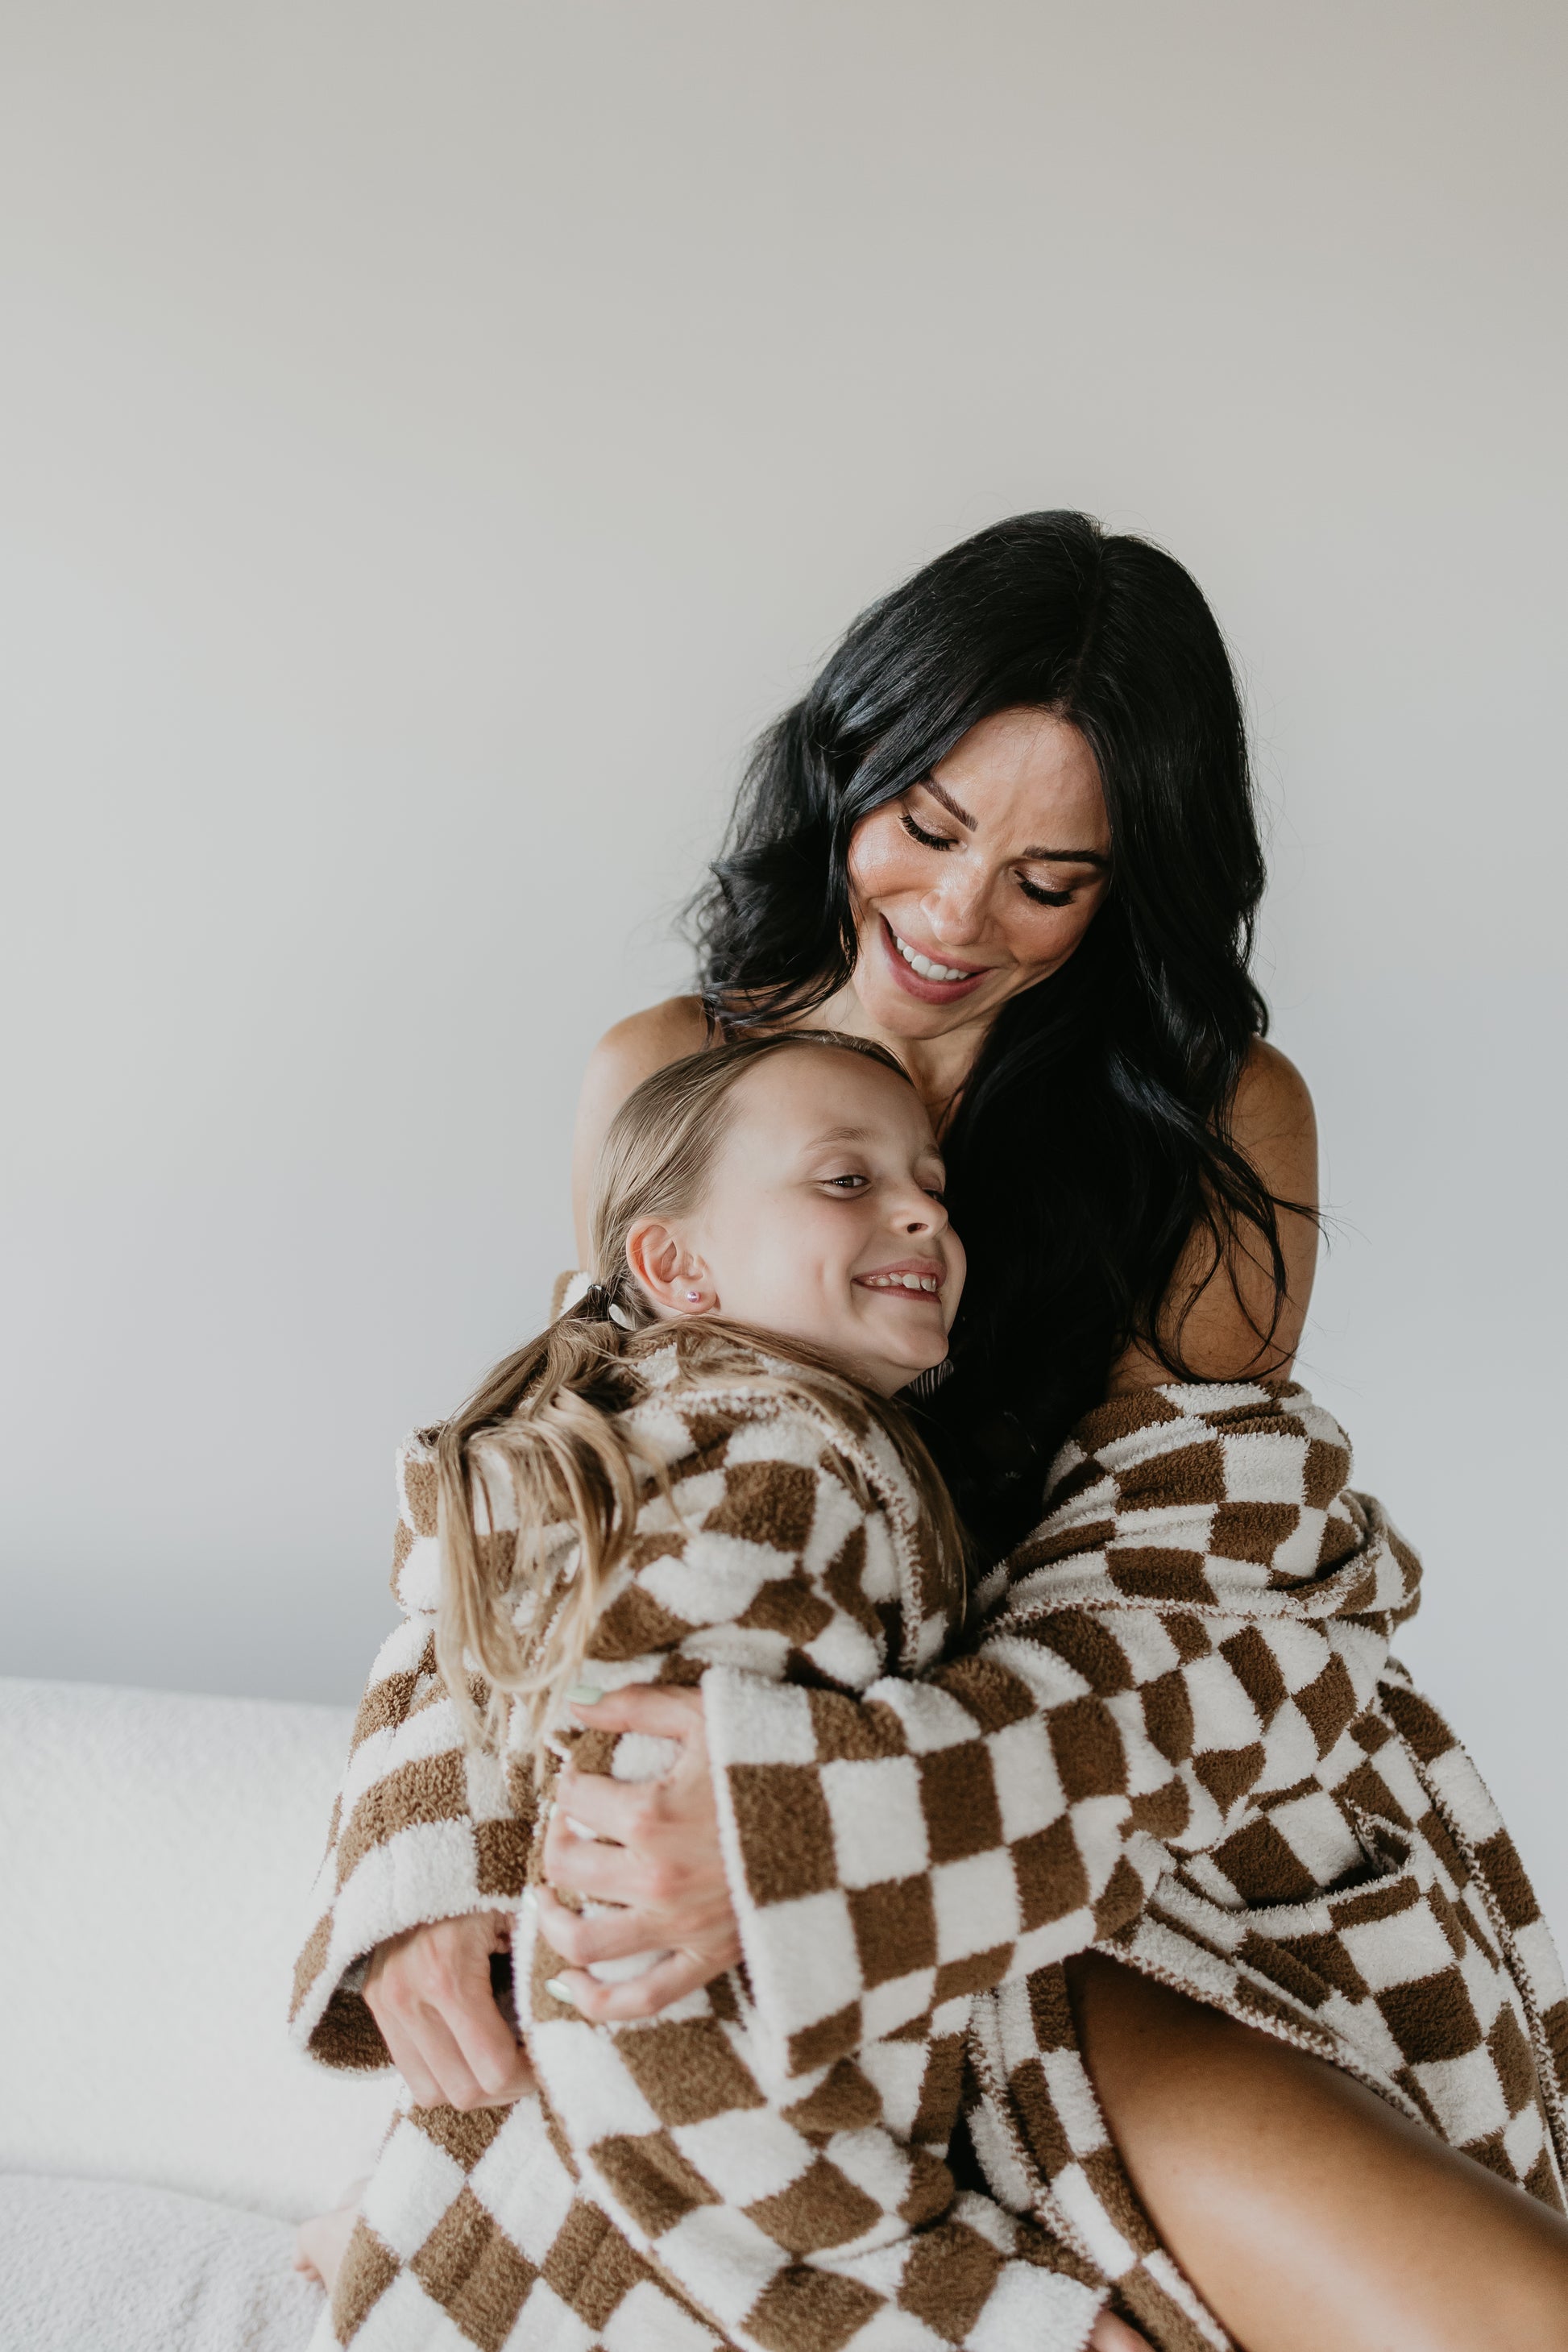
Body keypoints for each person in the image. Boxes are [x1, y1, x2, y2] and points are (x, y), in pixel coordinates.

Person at [309, 514, 1568, 2350]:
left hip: (1127, 1866)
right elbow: (544, 1505)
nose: (961, 915)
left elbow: (1188, 1627)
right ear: (847, 768)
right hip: (745, 1905)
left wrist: (805, 1838)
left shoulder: (1211, 1122)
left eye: (1053, 876)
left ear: (1129, 884)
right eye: (928, 822)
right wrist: (417, 1868)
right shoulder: (668, 1070)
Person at [294, 1031, 1146, 2348]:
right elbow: (628, 1989)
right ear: (676, 1266)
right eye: (843, 1181)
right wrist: (987, 2313)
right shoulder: (773, 1477)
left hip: (502, 2243)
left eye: (929, 1181)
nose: (924, 1206)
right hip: (637, 2279)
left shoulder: (684, 1450)